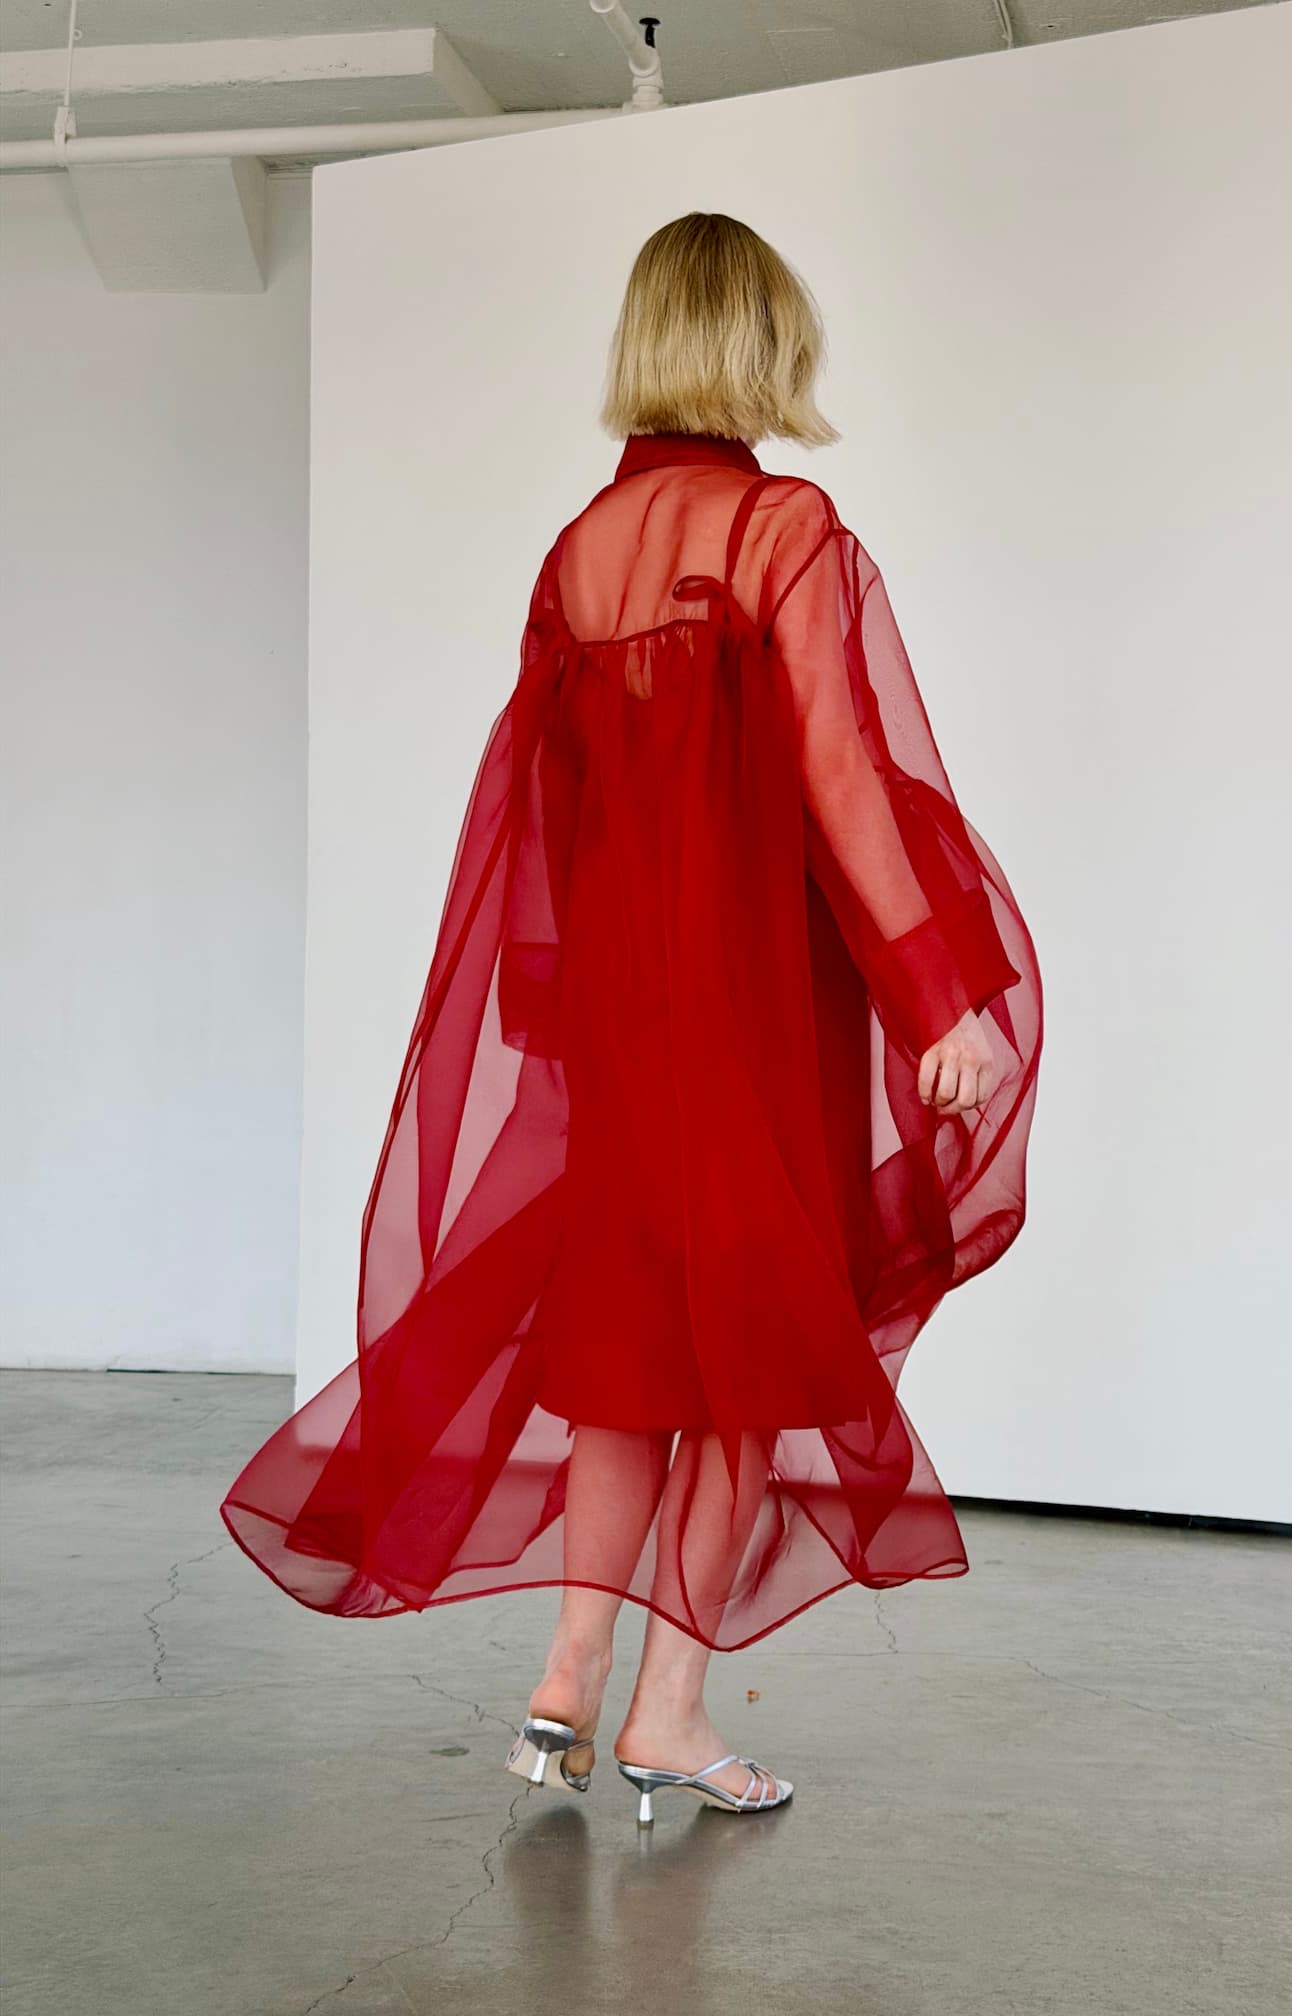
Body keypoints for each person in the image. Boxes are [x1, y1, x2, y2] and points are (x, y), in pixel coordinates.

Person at [220, 212, 1043, 1827]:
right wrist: (938, 994)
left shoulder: (575, 559)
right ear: (763, 344)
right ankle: (673, 1710)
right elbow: (841, 783)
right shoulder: (785, 528)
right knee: (741, 1370)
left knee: (626, 1369)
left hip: (625, 1028)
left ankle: (566, 1680)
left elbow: (546, 817)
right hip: (749, 1025)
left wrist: (559, 1008)